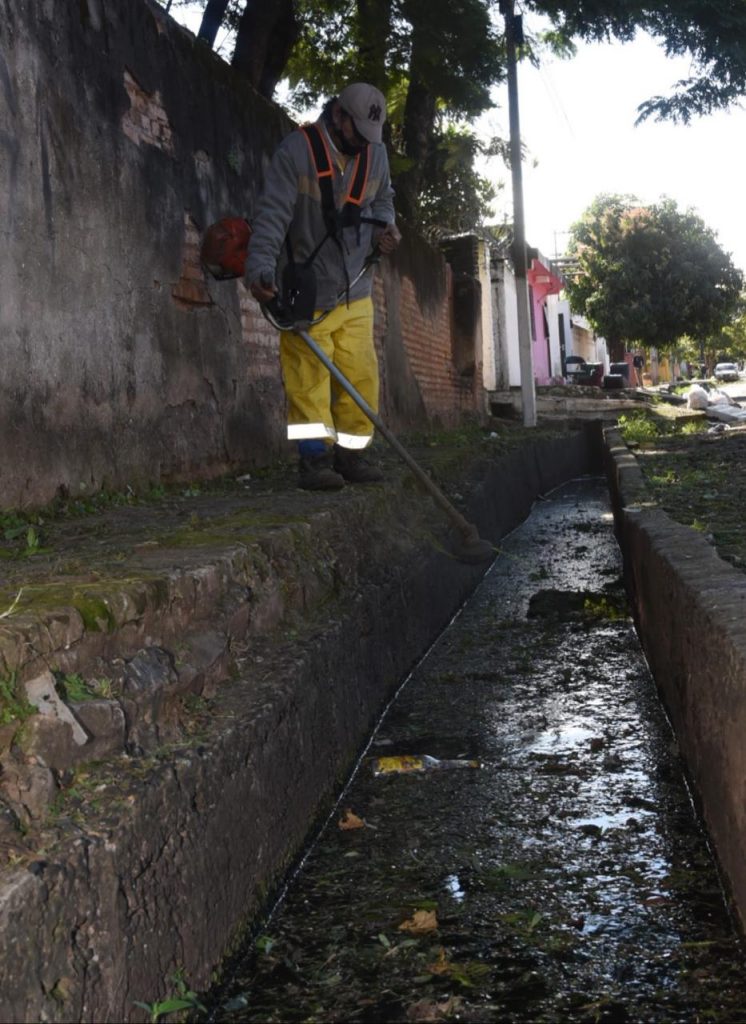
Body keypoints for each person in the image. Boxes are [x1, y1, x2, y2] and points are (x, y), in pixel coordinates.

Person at [247, 82, 401, 490]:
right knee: (308, 380)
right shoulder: (296, 153)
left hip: (357, 288)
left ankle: (352, 456)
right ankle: (314, 461)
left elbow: (383, 200)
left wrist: (386, 228)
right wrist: (260, 269)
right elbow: (271, 216)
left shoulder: (375, 153)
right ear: (338, 116)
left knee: (361, 377)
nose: (364, 144)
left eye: (371, 137)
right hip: (309, 288)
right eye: (358, 133)